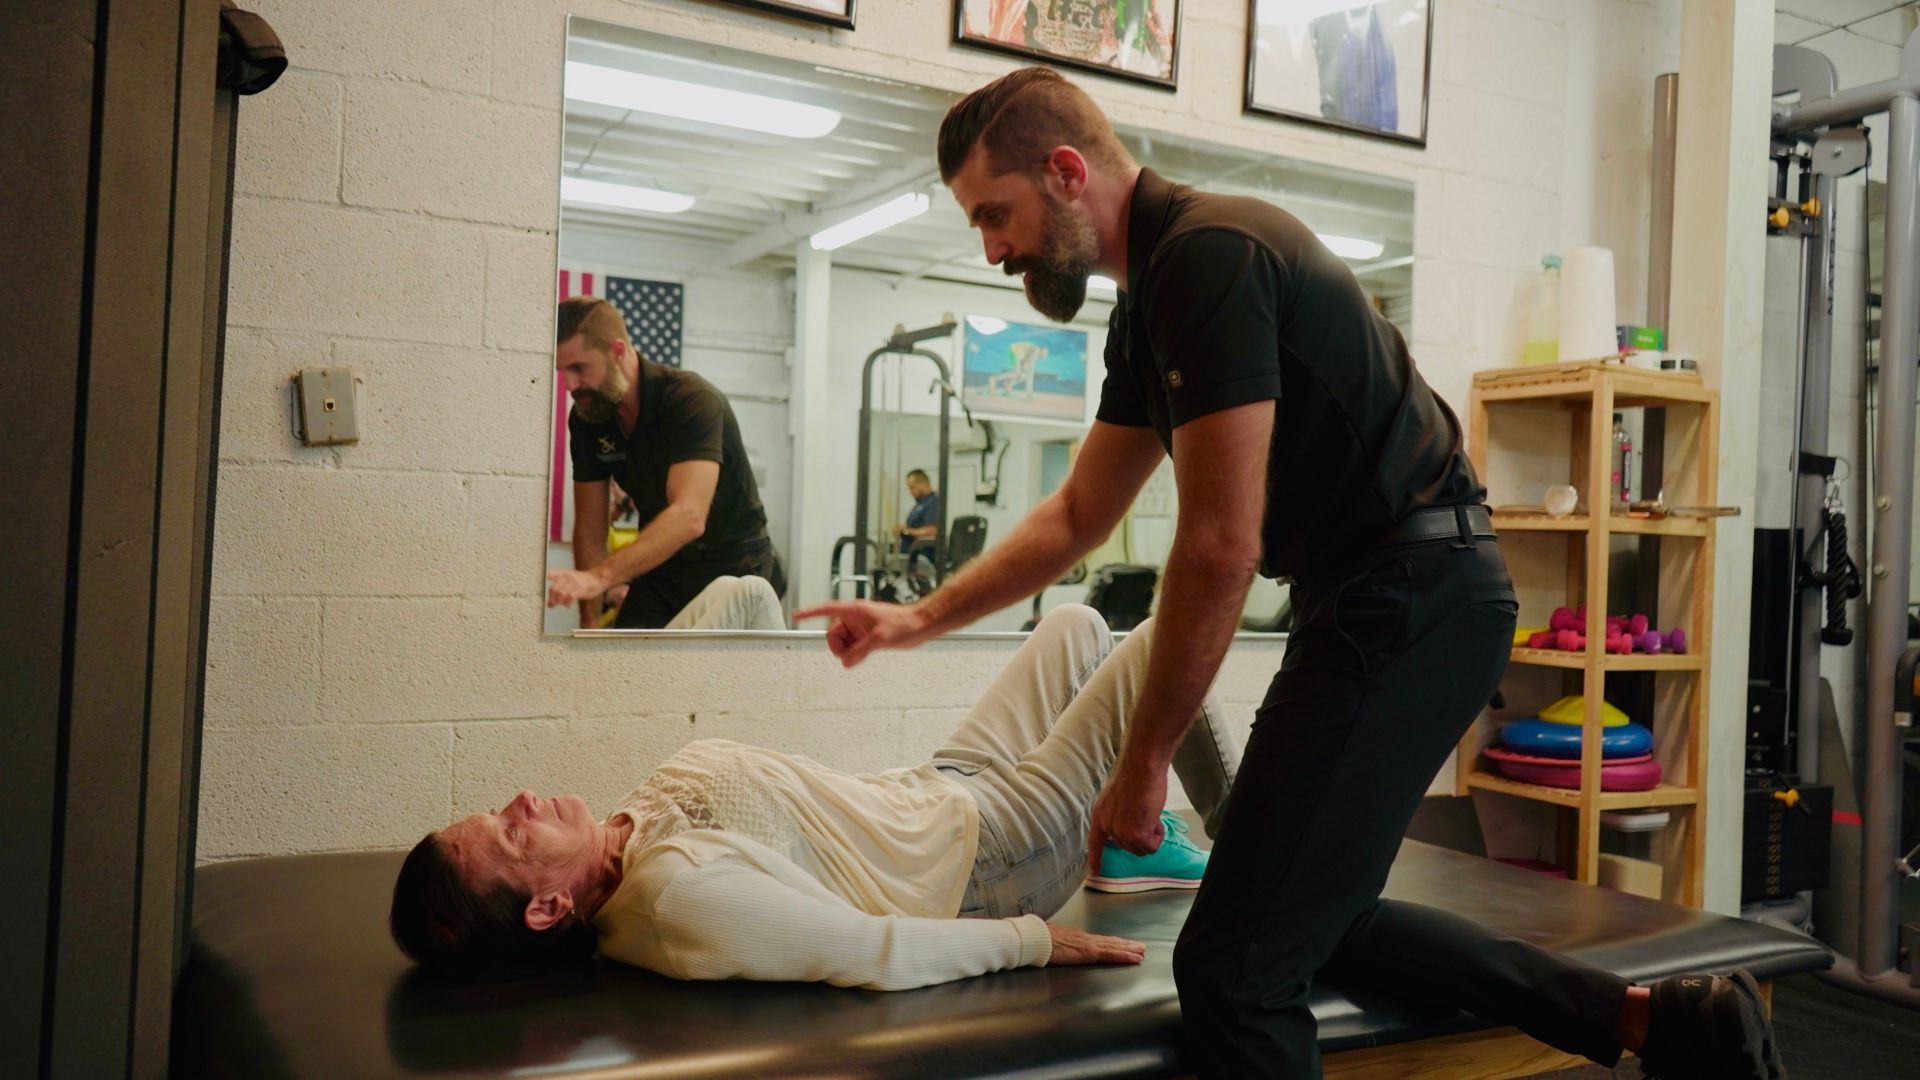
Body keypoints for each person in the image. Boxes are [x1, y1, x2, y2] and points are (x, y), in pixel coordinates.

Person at [795, 67, 1781, 1079]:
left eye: (994, 216)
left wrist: (1143, 765)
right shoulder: (1148, 307)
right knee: (1313, 918)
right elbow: (1079, 513)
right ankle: (1664, 1026)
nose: (993, 250)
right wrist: (917, 619)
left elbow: (1220, 546)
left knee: (1233, 975)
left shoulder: (1208, 256)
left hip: (1412, 597)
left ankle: (1664, 1026)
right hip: (1381, 600)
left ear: (1065, 172)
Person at [389, 606, 1232, 987]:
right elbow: (869, 950)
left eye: (502, 807)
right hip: (991, 860)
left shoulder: (620, 835)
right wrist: (1033, 941)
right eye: (511, 832)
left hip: (941, 789)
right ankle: (1269, 872)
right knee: (1173, 632)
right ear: (545, 909)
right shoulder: (674, 898)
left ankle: (1124, 846)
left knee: (1076, 625)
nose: (523, 799)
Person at [547, 298, 786, 629]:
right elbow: (590, 528)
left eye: (579, 368)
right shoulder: (588, 418)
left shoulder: (691, 400)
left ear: (617, 351)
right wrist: (590, 622)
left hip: (733, 563)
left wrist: (599, 578)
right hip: (663, 570)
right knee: (618, 657)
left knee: (698, 661)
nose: (570, 385)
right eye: (563, 372)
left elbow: (689, 516)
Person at [893, 468, 942, 554]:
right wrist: (901, 530)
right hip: (910, 556)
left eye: (912, 488)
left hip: (921, 557)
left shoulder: (932, 502)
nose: (911, 492)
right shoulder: (920, 504)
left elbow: (932, 532)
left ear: (923, 484)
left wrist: (905, 530)